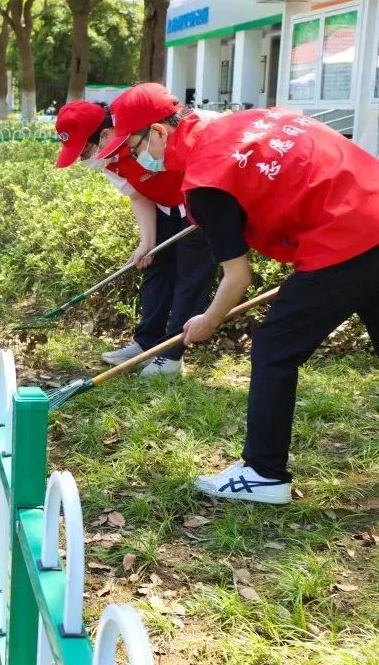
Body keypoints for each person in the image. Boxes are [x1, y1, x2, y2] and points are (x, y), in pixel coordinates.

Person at [98, 82, 379, 504]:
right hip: (371, 207)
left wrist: (207, 321)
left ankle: (264, 472)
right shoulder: (240, 124)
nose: (139, 157)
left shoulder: (205, 180)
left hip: (343, 237)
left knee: (273, 348)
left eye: (135, 145)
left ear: (158, 132)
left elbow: (237, 277)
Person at [54, 101, 218, 376]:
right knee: (154, 267)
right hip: (164, 208)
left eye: (85, 150)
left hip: (198, 204)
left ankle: (171, 354)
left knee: (190, 277)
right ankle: (146, 343)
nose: (85, 159)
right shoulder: (107, 159)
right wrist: (147, 242)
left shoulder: (142, 135)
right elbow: (138, 194)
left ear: (105, 134)